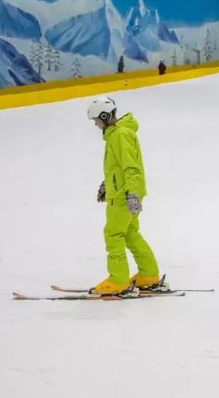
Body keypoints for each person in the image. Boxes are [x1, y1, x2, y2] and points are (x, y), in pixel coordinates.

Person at [87, 97, 160, 294]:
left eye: (96, 120)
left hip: (124, 196)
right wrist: (106, 186)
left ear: (104, 115)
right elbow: (117, 168)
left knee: (113, 234)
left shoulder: (120, 135)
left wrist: (132, 195)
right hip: (123, 192)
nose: (95, 124)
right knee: (129, 234)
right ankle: (148, 274)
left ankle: (118, 280)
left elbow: (132, 168)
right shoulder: (117, 134)